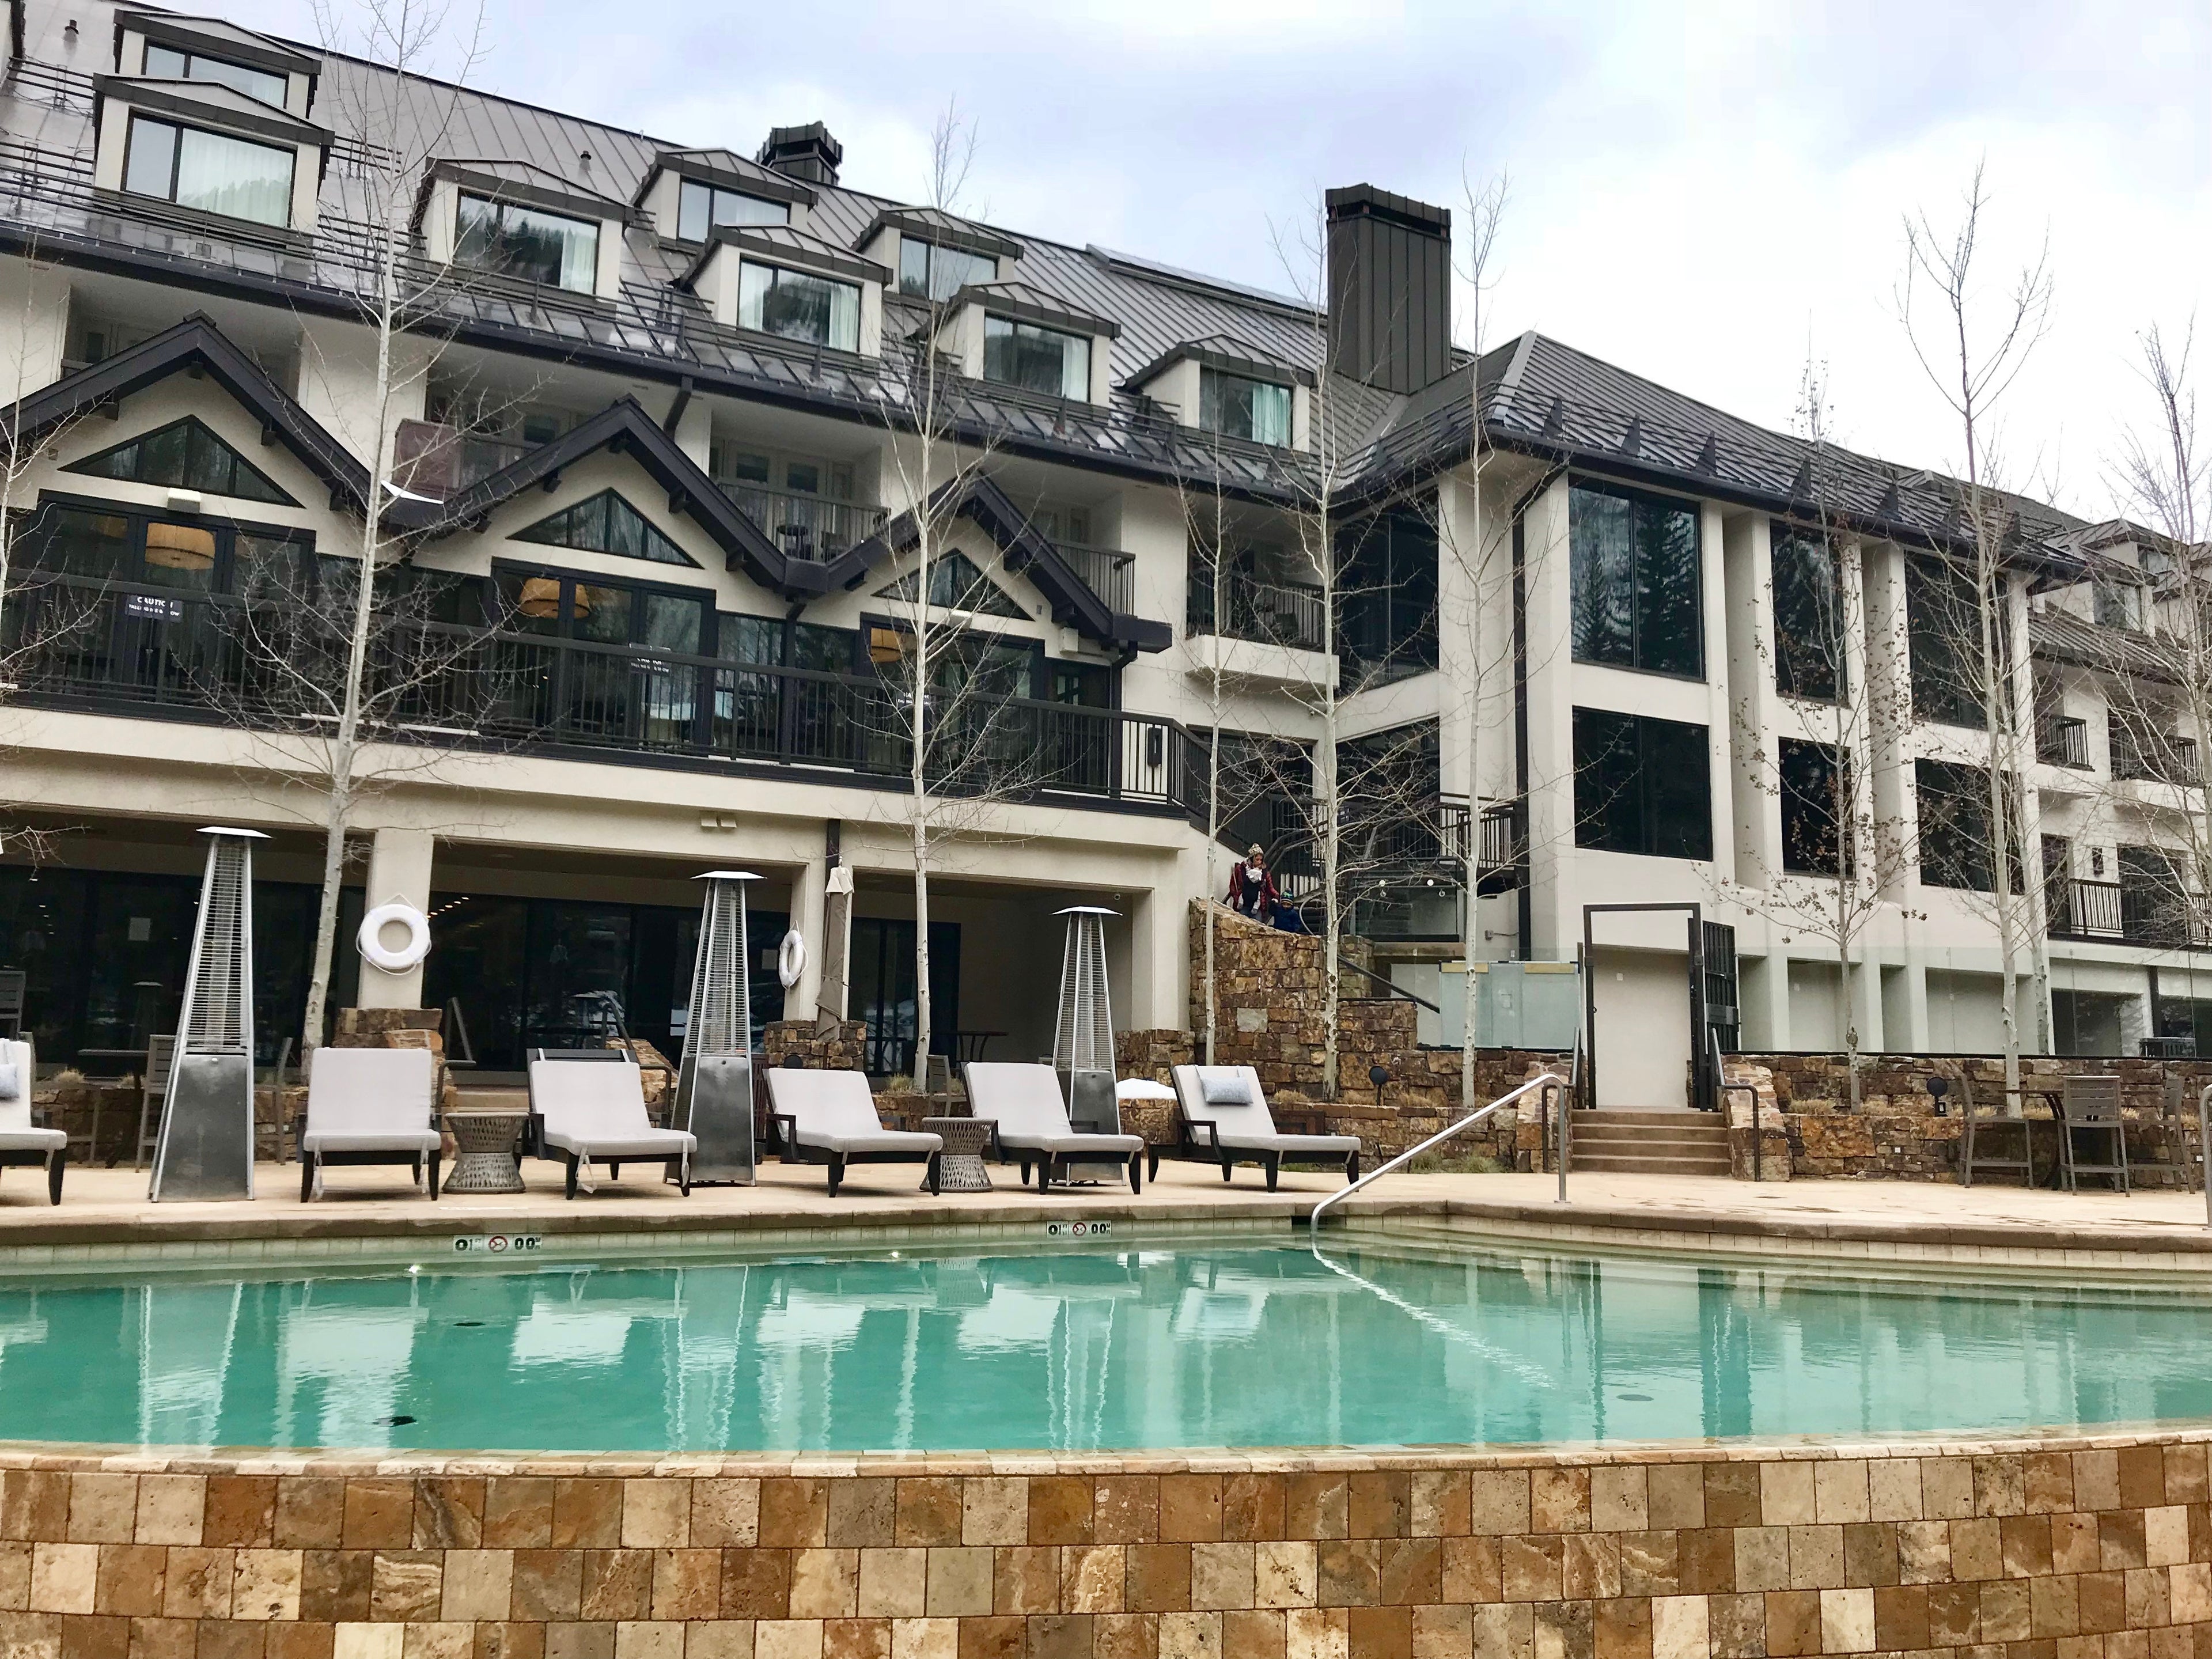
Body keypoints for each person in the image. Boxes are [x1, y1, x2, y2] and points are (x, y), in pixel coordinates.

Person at [1228, 844, 1278, 920]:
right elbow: (1233, 884)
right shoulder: (1241, 869)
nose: (1259, 862)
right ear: (1252, 858)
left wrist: (1276, 896)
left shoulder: (1265, 873)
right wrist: (1236, 897)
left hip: (1258, 906)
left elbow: (1270, 888)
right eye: (1257, 859)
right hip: (1243, 904)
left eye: (1261, 860)